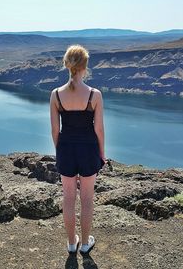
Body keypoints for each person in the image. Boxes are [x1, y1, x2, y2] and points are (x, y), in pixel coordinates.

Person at [49, 44, 106, 255]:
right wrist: (101, 153)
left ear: (66, 65)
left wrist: (60, 150)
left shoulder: (55, 95)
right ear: (85, 66)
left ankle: (71, 243)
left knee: (69, 198)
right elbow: (98, 129)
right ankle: (84, 244)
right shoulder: (94, 95)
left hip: (66, 149)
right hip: (89, 149)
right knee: (88, 199)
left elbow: (55, 130)